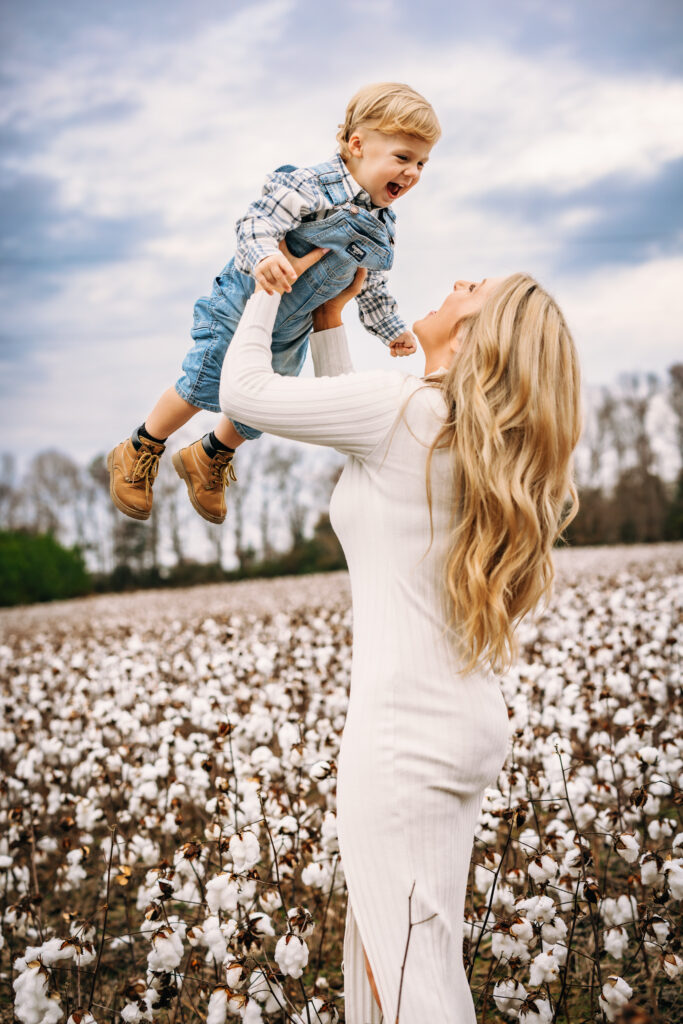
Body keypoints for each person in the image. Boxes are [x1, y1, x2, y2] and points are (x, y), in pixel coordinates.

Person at [219, 242, 582, 1023]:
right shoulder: (447, 431)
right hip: (456, 725)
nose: (457, 279)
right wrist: (325, 321)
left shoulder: (408, 414)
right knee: (413, 964)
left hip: (399, 739)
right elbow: (356, 419)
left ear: (483, 334)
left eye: (474, 287)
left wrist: (264, 286)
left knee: (407, 983)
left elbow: (244, 394)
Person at [106, 82, 440, 526]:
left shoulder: (382, 227)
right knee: (206, 379)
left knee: (263, 404)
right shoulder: (311, 185)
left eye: (421, 163)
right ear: (357, 145)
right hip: (241, 303)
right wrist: (264, 256)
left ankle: (208, 457)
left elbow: (371, 285)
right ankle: (141, 446)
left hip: (291, 325)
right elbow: (255, 222)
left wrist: (391, 329)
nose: (413, 172)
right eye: (403, 158)